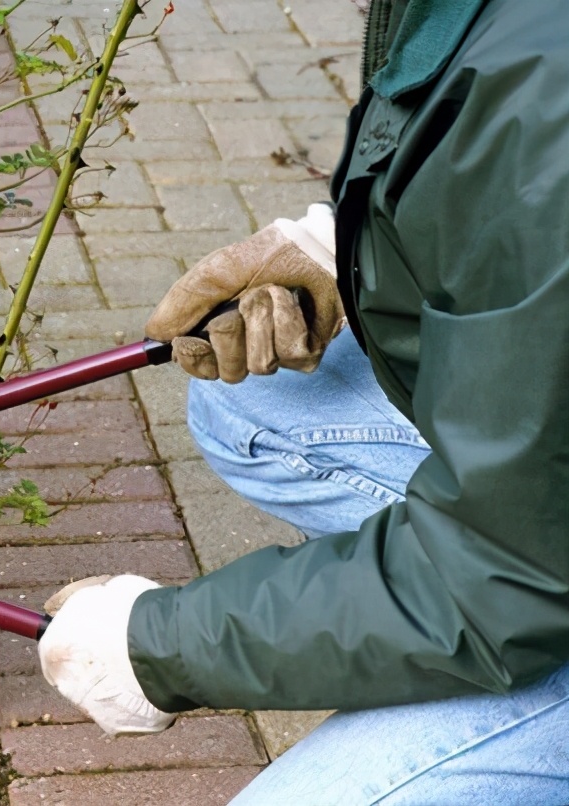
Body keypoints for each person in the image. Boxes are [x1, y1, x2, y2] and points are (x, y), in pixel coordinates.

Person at [37, 1, 569, 802]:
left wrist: (155, 647)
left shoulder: (548, 93)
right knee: (257, 407)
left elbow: (507, 568)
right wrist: (345, 253)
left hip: (525, 565)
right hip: (536, 537)